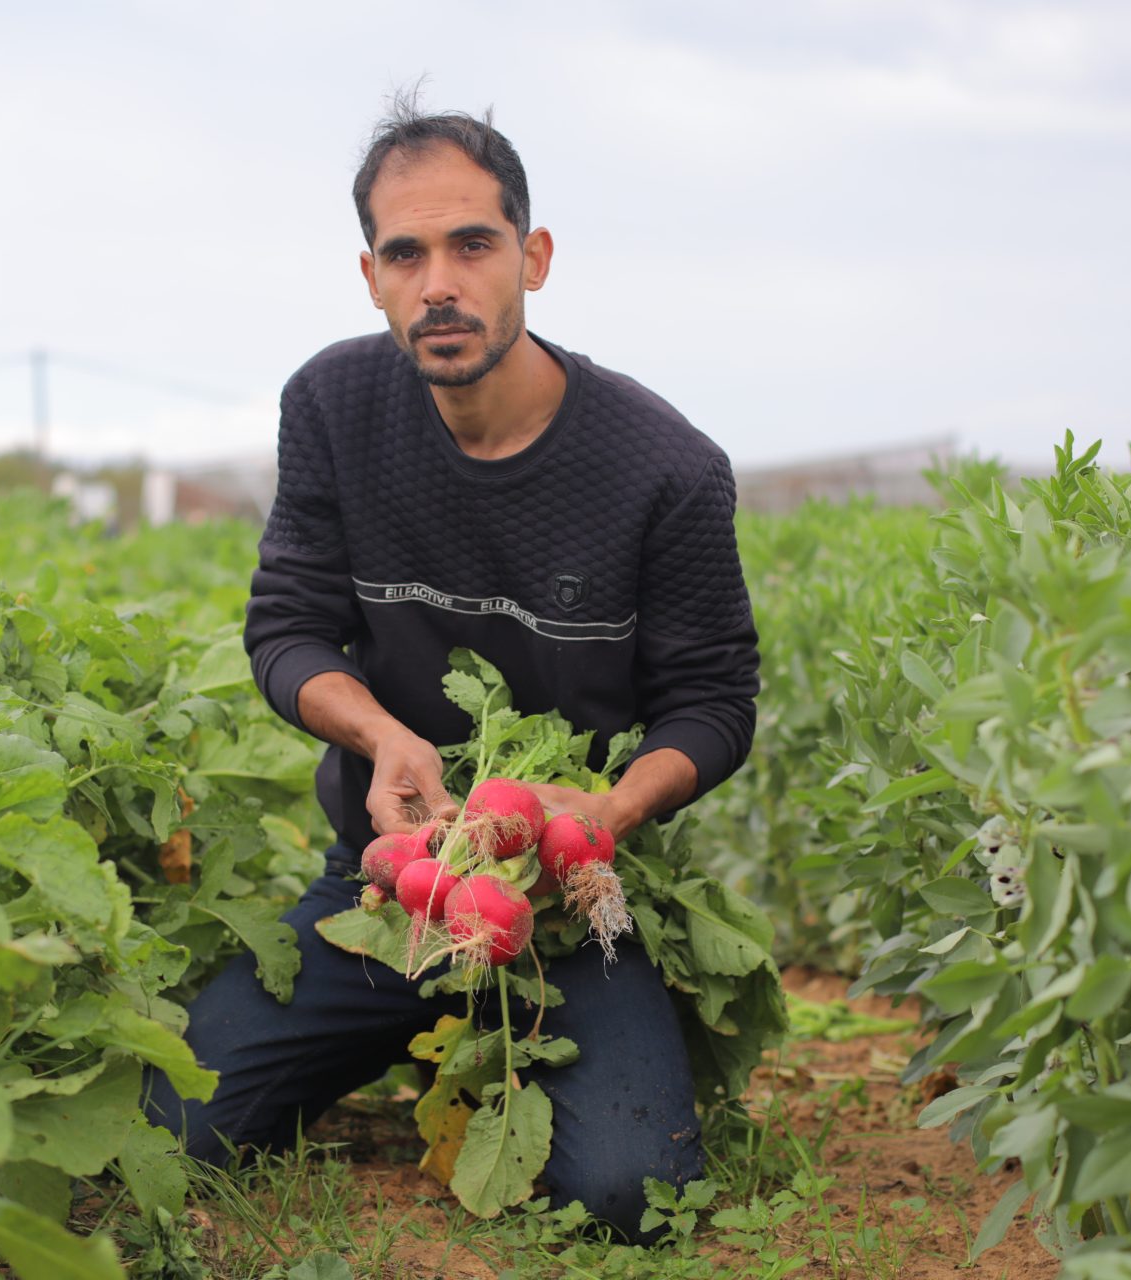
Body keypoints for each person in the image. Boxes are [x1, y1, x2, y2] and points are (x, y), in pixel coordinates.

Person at [143, 98, 760, 1241]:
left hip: (562, 903)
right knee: (165, 1120)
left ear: (531, 257)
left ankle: (532, 1043)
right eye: (406, 252)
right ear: (371, 275)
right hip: (394, 883)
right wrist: (382, 737)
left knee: (631, 1195)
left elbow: (717, 699)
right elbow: (287, 628)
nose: (440, 282)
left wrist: (607, 810)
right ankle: (412, 1028)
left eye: (472, 245)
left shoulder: (662, 467)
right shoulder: (334, 406)